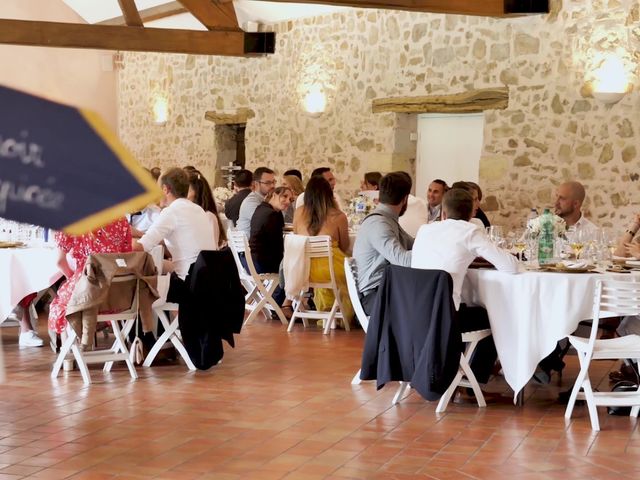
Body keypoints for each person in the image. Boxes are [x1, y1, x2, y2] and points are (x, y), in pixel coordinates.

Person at [412, 188, 519, 385]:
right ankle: (473, 381)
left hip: (414, 312)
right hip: (446, 319)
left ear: (443, 213)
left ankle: (457, 371)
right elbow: (511, 266)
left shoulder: (424, 230)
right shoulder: (470, 231)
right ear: (472, 214)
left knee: (471, 308)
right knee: (495, 315)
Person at [48, 218, 132, 336]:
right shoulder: (121, 220)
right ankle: (95, 327)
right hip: (115, 294)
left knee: (61, 302)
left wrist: (71, 277)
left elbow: (59, 262)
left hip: (86, 291)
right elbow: (126, 258)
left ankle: (74, 341)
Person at [293, 176, 354, 326]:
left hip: (303, 269)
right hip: (330, 270)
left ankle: (328, 311)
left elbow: (296, 238)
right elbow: (344, 246)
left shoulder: (298, 212)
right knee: (352, 270)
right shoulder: (338, 216)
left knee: (329, 271)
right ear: (330, 194)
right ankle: (342, 316)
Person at [134, 167, 216, 279]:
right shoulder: (198, 209)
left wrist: (117, 236)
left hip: (189, 281)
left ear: (165, 189)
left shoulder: (172, 212)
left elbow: (141, 246)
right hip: (210, 278)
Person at [353, 172, 414, 315]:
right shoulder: (379, 224)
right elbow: (403, 260)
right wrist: (435, 253)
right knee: (427, 303)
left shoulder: (386, 219)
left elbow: (413, 244)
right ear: (405, 199)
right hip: (374, 297)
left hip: (386, 290)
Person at [248, 187, 293, 307]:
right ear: (274, 195)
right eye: (284, 196)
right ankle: (283, 305)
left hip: (252, 260)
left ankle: (279, 303)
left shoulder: (260, 209)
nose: (288, 201)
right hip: (263, 263)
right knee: (295, 266)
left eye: (291, 199)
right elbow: (277, 247)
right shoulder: (273, 215)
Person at [187, 170, 226, 248]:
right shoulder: (189, 213)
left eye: (187, 191)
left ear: (196, 193)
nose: (184, 195)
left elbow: (211, 248)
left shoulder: (208, 216)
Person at [236, 167, 276, 238]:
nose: (273, 186)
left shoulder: (265, 199)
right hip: (247, 245)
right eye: (268, 183)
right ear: (256, 184)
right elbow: (265, 223)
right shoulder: (251, 201)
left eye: (273, 182)